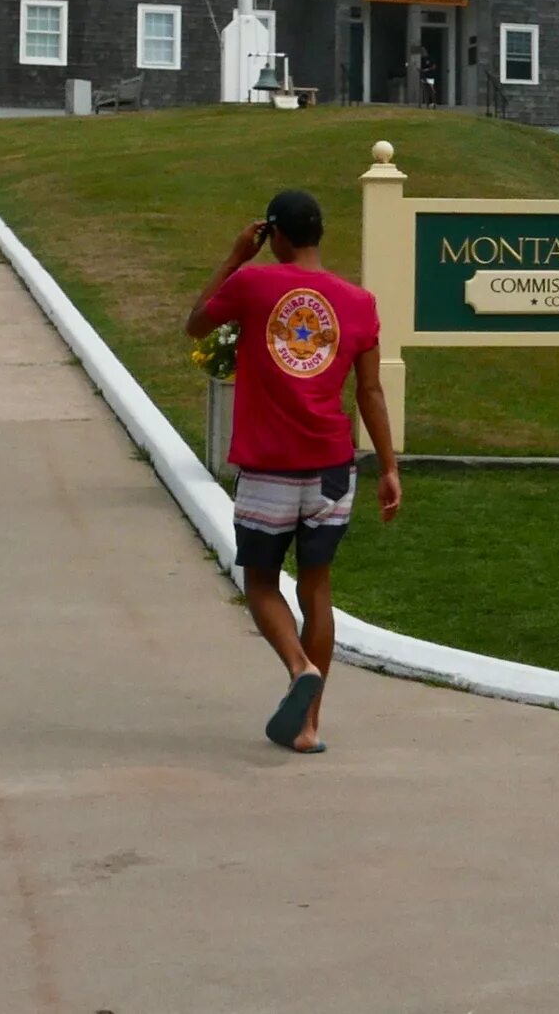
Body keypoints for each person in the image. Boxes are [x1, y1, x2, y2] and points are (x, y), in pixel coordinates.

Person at [182, 189, 401, 754]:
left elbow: (196, 325)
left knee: (259, 582)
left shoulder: (255, 285)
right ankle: (309, 727)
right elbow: (370, 391)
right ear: (319, 233)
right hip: (333, 467)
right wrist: (389, 468)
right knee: (317, 587)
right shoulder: (360, 302)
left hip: (270, 468)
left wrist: (234, 258)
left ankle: (300, 667)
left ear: (274, 234)